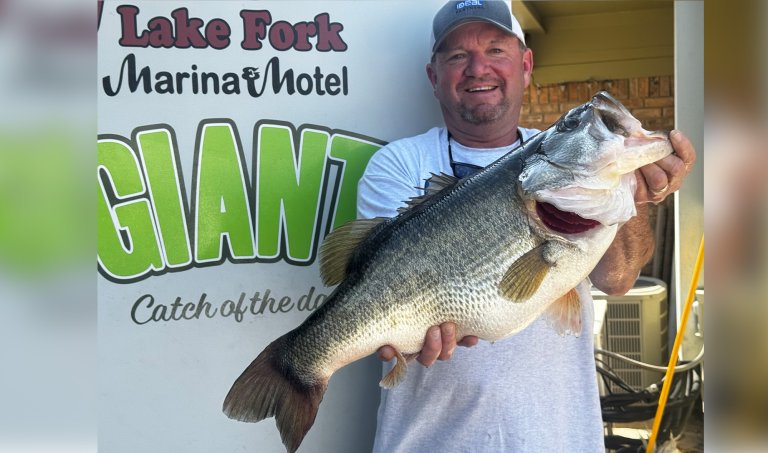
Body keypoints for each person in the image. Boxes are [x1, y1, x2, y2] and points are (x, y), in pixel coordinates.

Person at [356, 1, 697, 452]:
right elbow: (378, 284)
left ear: (526, 65)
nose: (478, 68)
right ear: (434, 77)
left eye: (496, 49)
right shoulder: (398, 164)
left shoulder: (560, 154)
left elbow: (617, 279)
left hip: (559, 439)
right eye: (457, 55)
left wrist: (635, 194)